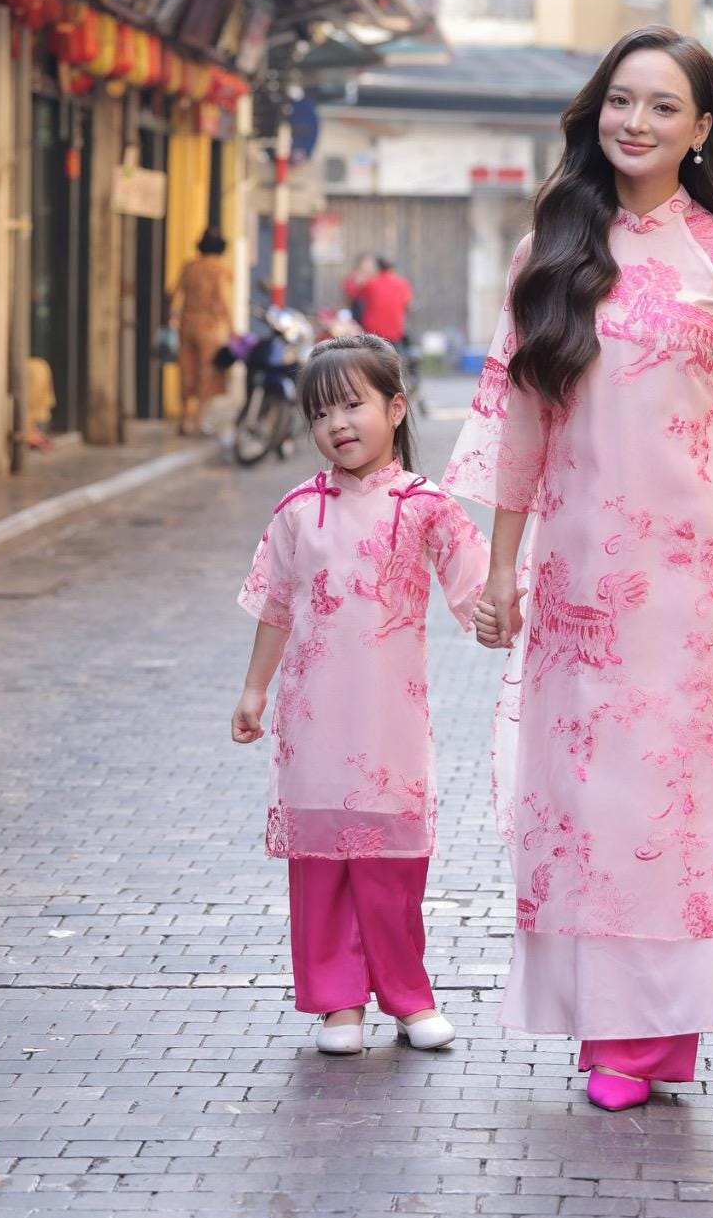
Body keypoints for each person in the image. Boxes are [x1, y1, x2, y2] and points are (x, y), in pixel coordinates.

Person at [444, 25, 713, 1113]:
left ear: (701, 128)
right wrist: (503, 567)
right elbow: (519, 420)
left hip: (690, 578)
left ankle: (662, 1032)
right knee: (587, 796)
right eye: (620, 100)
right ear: (594, 112)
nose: (636, 122)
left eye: (662, 106)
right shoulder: (550, 249)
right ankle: (610, 1032)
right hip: (574, 573)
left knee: (675, 801)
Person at [230, 333, 490, 1056]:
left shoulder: (426, 507)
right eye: (320, 413)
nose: (336, 424)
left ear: (395, 408)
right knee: (321, 867)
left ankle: (409, 997)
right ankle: (337, 1004)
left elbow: (477, 591)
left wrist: (507, 617)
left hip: (388, 724)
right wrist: (254, 689)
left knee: (390, 867)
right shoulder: (296, 512)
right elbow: (276, 608)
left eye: (351, 405)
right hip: (312, 722)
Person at [169, 227, 233, 436]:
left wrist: (175, 316)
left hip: (186, 324)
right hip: (209, 326)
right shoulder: (219, 269)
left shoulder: (189, 267)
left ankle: (183, 419)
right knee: (207, 373)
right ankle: (199, 421)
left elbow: (172, 293)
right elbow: (222, 299)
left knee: (187, 371)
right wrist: (232, 327)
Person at [355, 257, 414, 345]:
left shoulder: (371, 283)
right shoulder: (402, 283)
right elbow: (409, 305)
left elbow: (357, 295)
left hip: (373, 331)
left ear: (377, 268)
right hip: (395, 331)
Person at [343, 253, 378, 326]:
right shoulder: (353, 278)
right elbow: (349, 296)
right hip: (357, 313)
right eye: (367, 264)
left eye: (371, 265)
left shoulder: (375, 279)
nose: (369, 268)